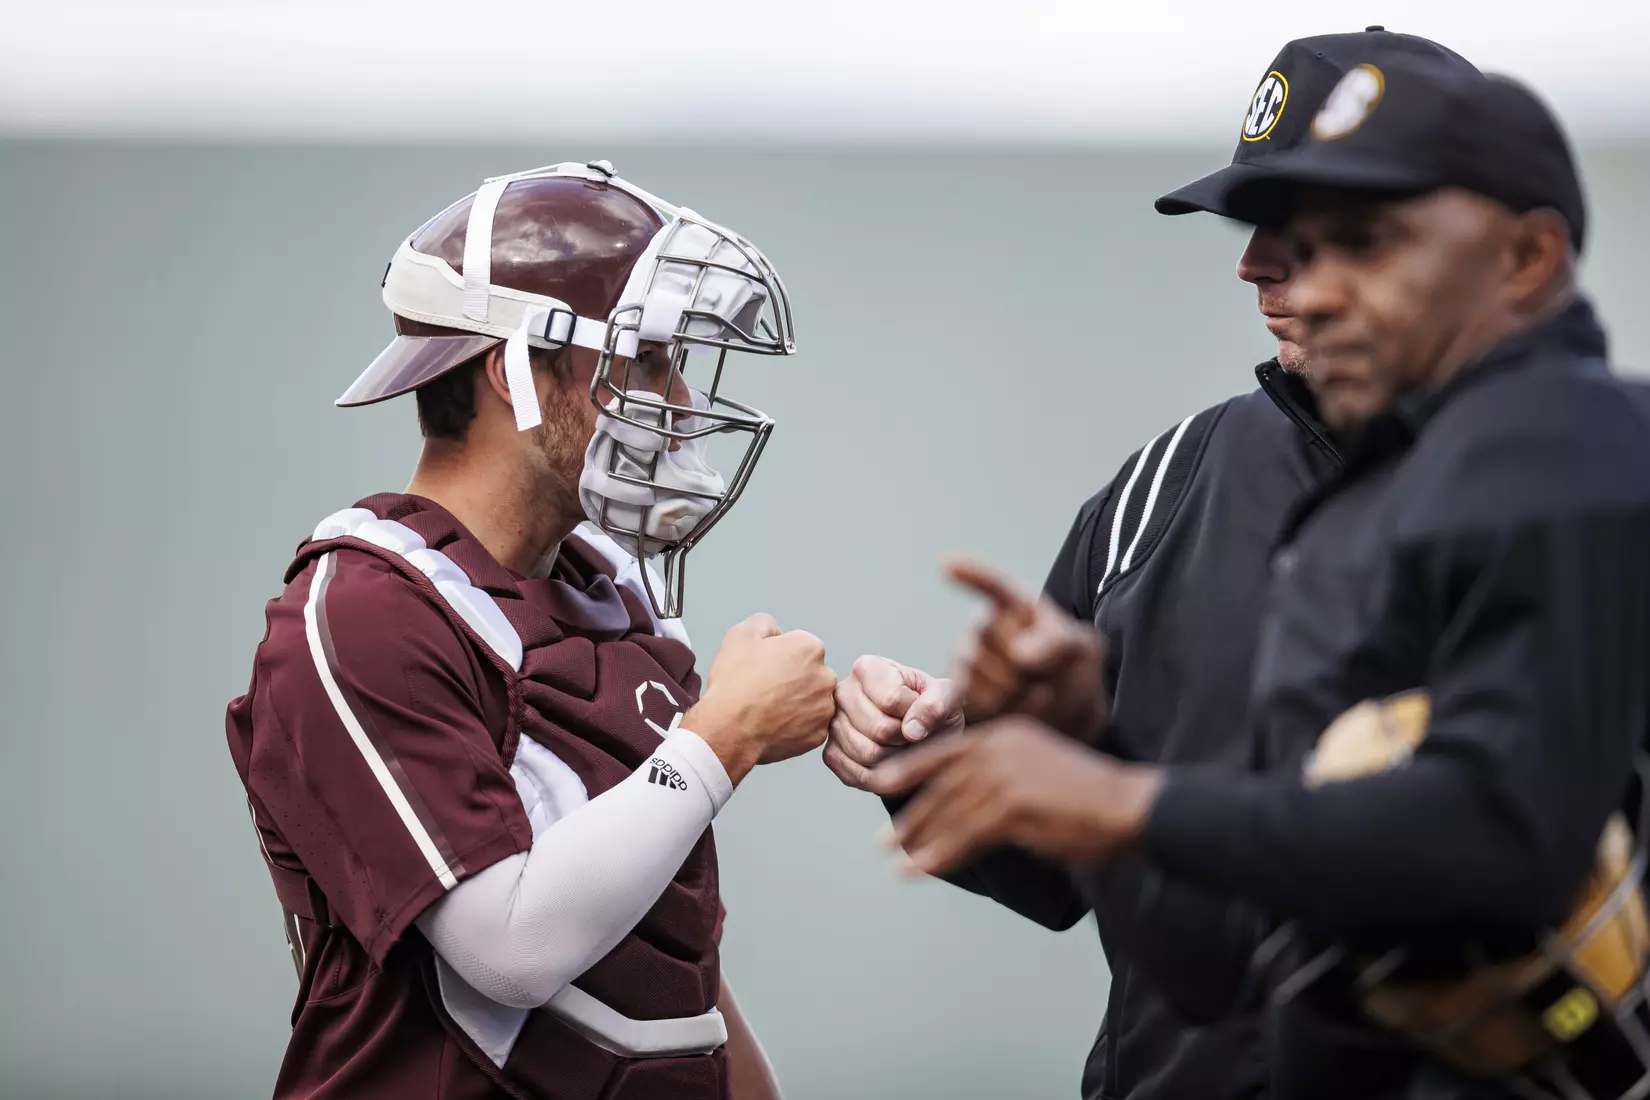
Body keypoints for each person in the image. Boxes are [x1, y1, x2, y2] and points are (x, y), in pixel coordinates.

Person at [870, 54, 1650, 1100]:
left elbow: (1501, 841)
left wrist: (1124, 795)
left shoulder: (1590, 454)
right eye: (1295, 235)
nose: (1289, 274)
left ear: (1524, 256)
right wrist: (1084, 736)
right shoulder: (1275, 508)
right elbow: (1221, 965)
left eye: (1359, 236)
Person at [225, 160, 837, 1100]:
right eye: (645, 360)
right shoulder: (360, 609)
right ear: (513, 373)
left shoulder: (610, 591)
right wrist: (726, 737)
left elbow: (656, 957)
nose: (675, 404)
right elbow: (510, 950)